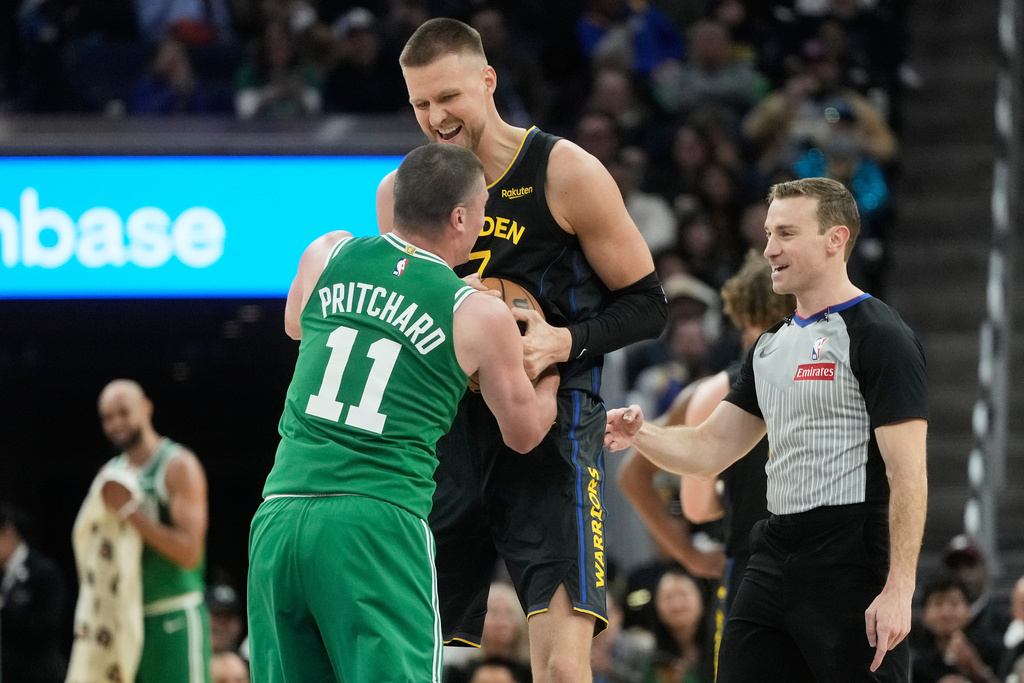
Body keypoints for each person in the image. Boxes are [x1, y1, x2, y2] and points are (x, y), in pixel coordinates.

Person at [377, 17, 667, 683]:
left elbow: (650, 303)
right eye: (420, 103)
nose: (435, 117)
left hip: (553, 432)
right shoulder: (403, 193)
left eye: (447, 97)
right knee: (406, 659)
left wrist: (564, 340)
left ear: (487, 80)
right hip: (447, 433)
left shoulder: (565, 171)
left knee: (563, 669)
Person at [247, 142, 560, 683]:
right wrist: (553, 361)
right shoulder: (477, 311)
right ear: (461, 217)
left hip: (279, 513)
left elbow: (296, 324)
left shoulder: (329, 252)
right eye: (482, 210)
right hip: (376, 521)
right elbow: (525, 432)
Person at [605, 176, 928, 682]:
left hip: (852, 556)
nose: (769, 248)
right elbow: (711, 448)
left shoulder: (881, 337)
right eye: (769, 233)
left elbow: (909, 472)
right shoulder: (770, 346)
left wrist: (900, 588)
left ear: (835, 239)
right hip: (772, 550)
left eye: (785, 234)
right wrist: (641, 433)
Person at [80, 379, 212, 683]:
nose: (115, 424)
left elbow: (190, 552)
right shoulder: (110, 474)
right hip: (124, 619)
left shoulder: (179, 465)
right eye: (107, 417)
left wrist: (131, 512)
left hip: (174, 614)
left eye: (123, 413)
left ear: (146, 408)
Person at [0, 503, 67, 683]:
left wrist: (4, 608)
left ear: (7, 531)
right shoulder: (2, 575)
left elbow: (47, 630)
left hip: (40, 674)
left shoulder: (44, 571)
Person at [910, 578, 1002, 683]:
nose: (946, 613)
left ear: (969, 611)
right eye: (938, 604)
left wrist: (978, 671)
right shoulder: (912, 654)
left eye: (954, 603)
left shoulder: (993, 648)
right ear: (924, 614)